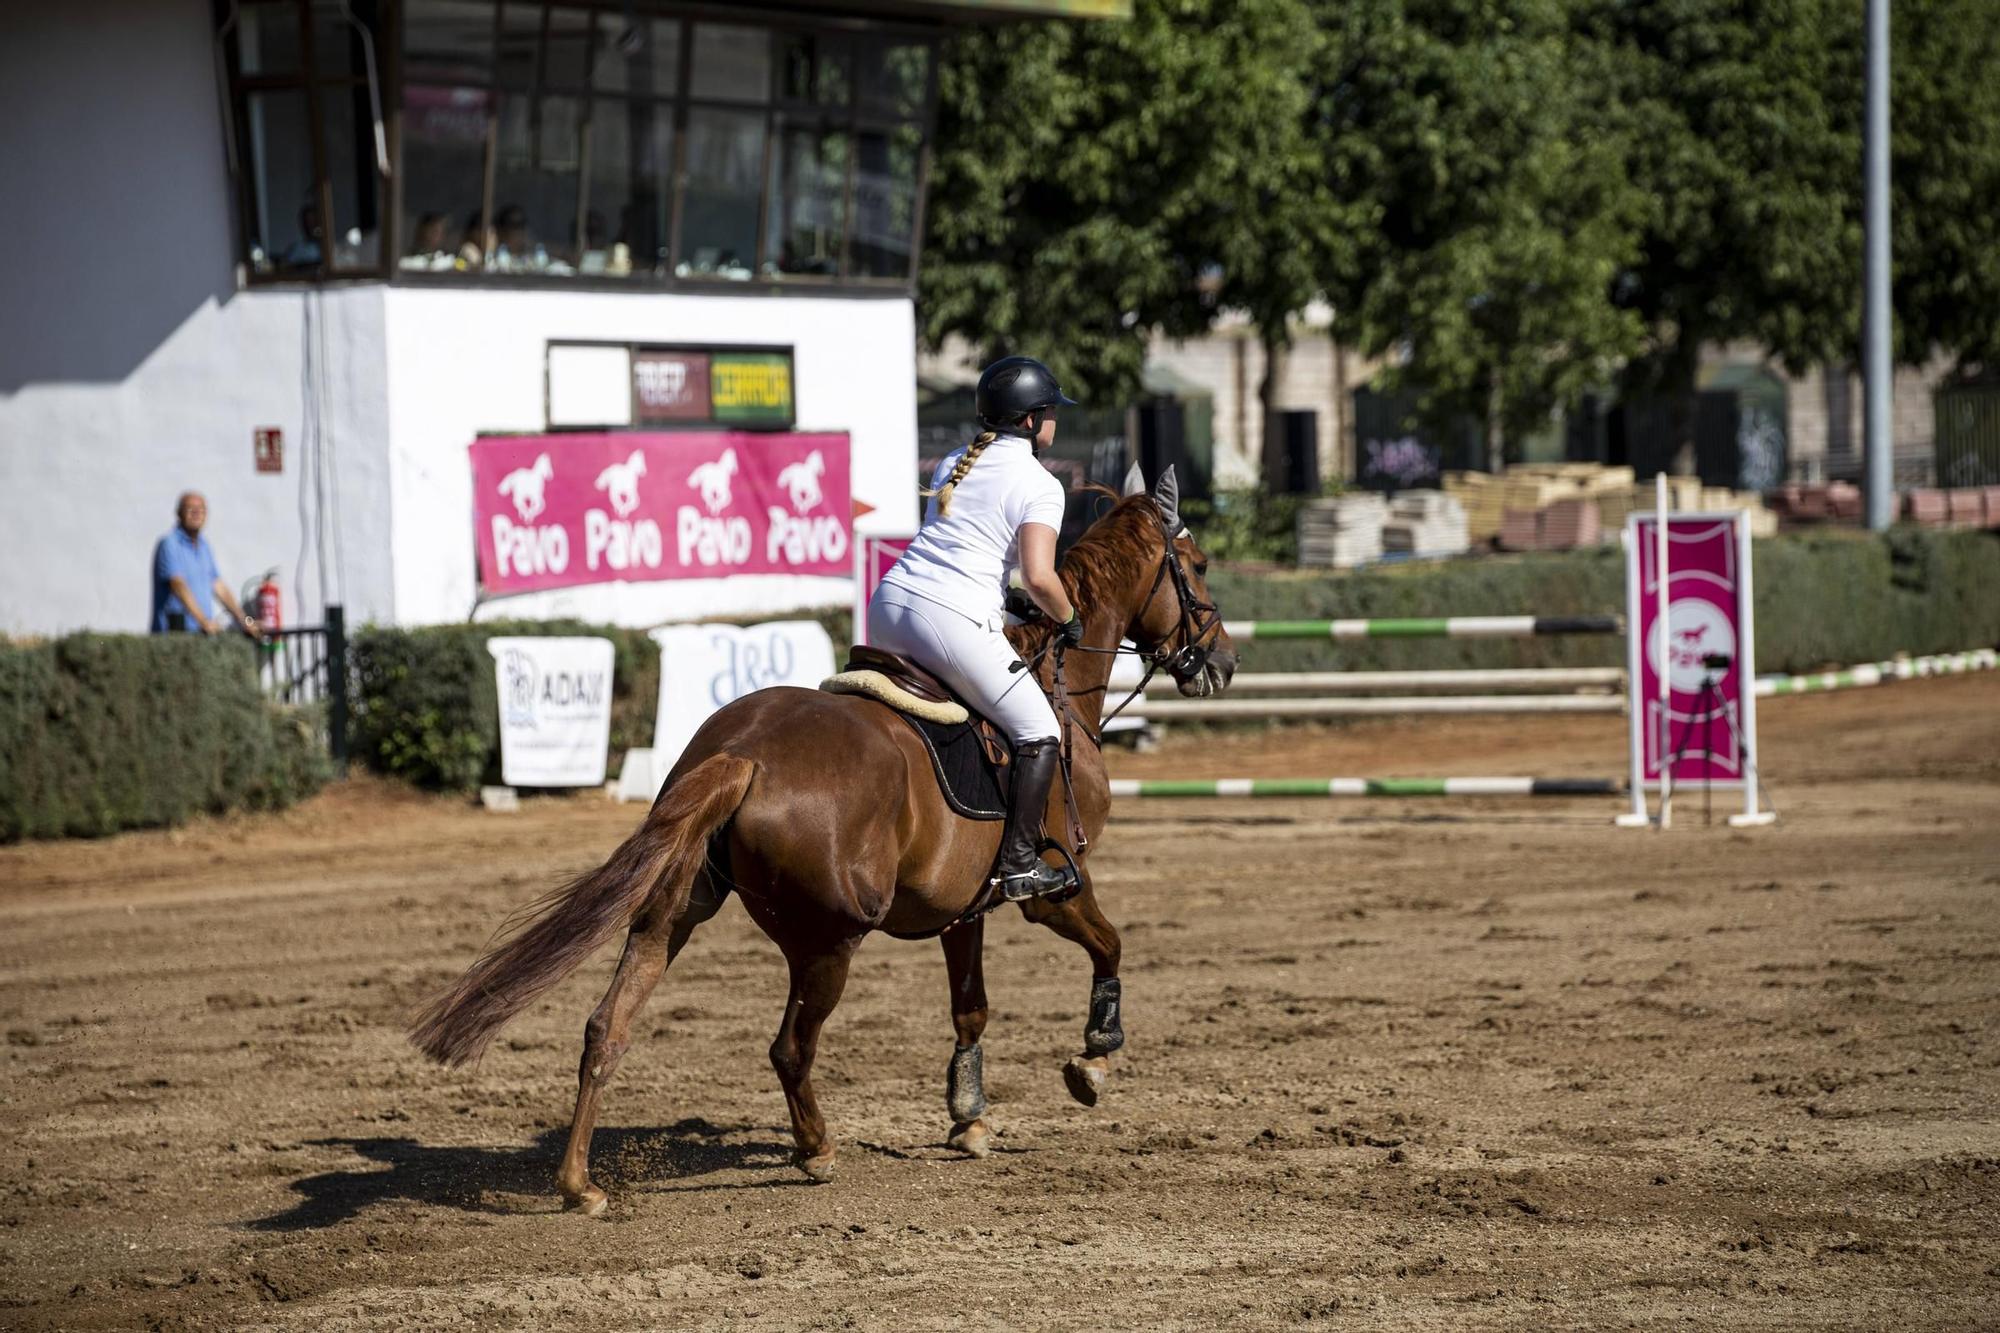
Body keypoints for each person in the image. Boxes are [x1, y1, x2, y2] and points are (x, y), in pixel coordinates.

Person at [868, 356, 1085, 902]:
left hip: (889, 605)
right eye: (1051, 410)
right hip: (946, 620)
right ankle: (1018, 865)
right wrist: (1069, 618)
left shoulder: (955, 460)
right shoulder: (1040, 482)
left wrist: (1004, 597)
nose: (1056, 419)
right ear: (1031, 421)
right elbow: (1040, 577)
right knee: (1041, 730)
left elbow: (961, 550)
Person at [151, 492, 260, 638]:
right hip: (175, 637)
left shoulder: (204, 546)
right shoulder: (169, 544)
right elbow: (178, 585)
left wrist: (246, 621)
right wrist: (203, 621)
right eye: (190, 508)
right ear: (179, 513)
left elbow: (219, 586)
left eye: (201, 509)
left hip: (201, 636)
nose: (196, 513)